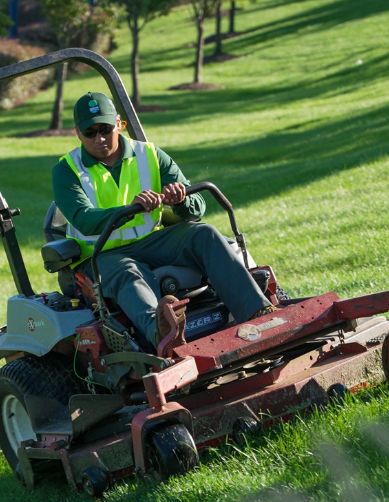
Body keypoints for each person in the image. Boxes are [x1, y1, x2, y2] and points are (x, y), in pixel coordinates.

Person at [52, 91, 275, 351]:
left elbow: (197, 207)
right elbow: (83, 219)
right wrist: (130, 208)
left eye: (105, 129)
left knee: (203, 233)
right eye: (91, 132)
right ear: (78, 133)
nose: (100, 138)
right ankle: (163, 336)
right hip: (101, 255)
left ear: (119, 124)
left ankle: (258, 312)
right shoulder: (66, 170)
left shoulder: (149, 155)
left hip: (153, 241)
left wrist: (180, 200)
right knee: (128, 272)